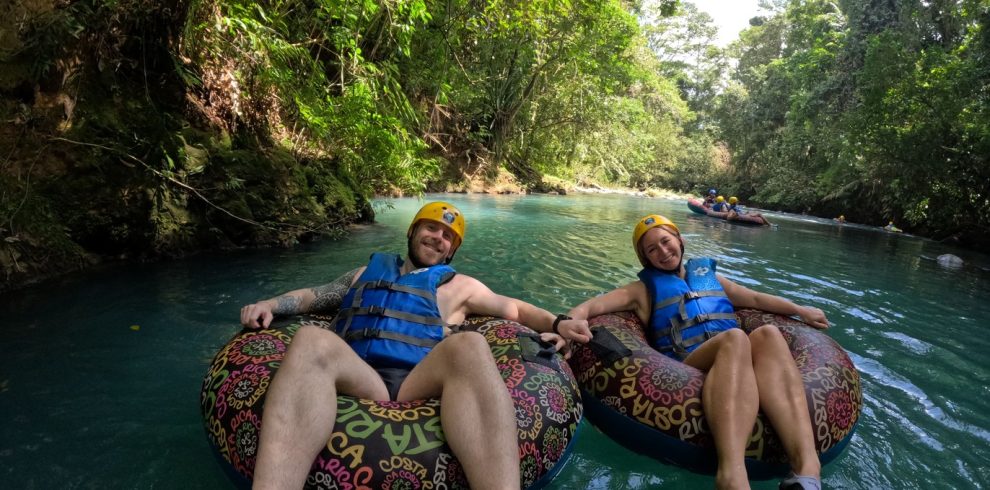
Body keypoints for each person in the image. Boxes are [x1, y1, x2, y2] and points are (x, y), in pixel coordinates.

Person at [240, 201, 581, 490]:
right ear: (413, 231)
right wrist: (270, 304)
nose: (438, 238)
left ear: (453, 249)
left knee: (470, 345)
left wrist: (558, 322)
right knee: (310, 339)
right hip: (358, 375)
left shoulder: (461, 287)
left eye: (448, 236)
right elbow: (314, 296)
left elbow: (516, 309)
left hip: (417, 379)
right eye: (431, 228)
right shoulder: (364, 273)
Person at [556, 215, 828, 490]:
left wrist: (800, 310)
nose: (662, 252)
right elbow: (590, 307)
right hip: (688, 363)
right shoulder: (641, 291)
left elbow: (756, 299)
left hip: (737, 358)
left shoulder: (710, 278)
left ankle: (807, 469)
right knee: (734, 338)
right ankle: (732, 476)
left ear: (679, 241)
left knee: (768, 334)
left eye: (666, 241)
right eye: (652, 249)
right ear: (645, 258)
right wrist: (571, 322)